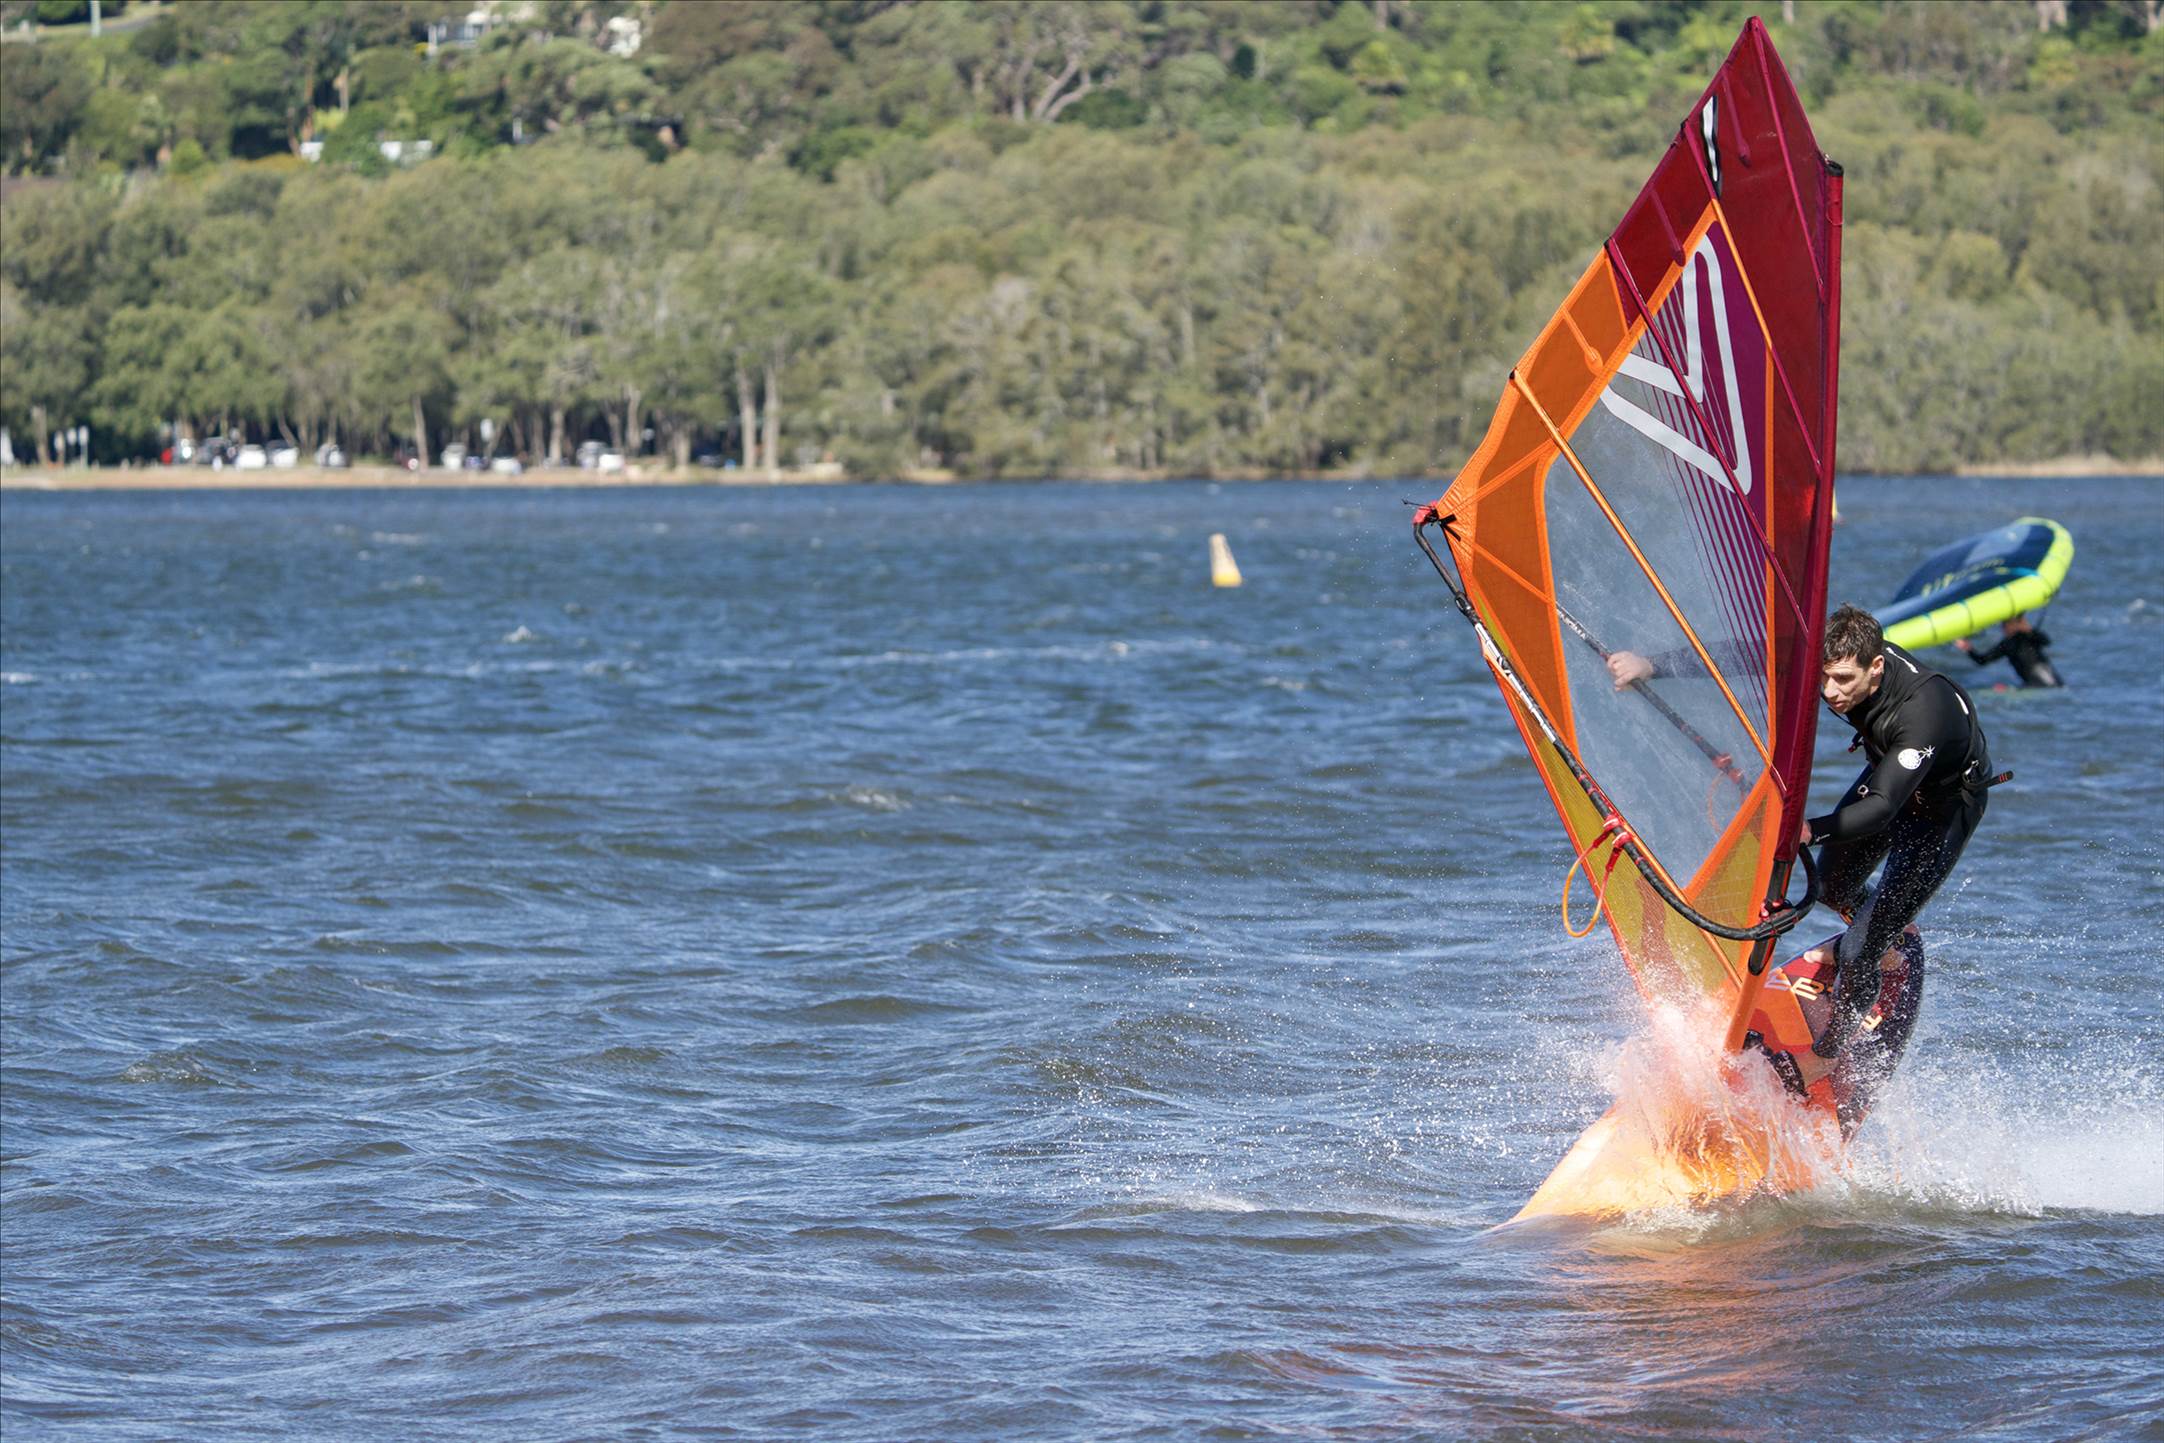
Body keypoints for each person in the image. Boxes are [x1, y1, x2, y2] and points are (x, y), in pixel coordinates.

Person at [1783, 604, 1995, 1090]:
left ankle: (1827, 1055)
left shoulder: (1925, 711)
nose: (1829, 693)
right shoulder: (1847, 668)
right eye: (1823, 678)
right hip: (1892, 777)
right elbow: (1760, 655)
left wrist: (1808, 830)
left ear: (1875, 667)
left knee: (1859, 954)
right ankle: (1890, 938)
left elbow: (1880, 810)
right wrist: (1653, 665)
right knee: (1830, 884)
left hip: (1942, 810)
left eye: (1841, 680)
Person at [1954, 614, 2062, 688]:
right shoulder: (2024, 638)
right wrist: (2030, 630)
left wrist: (1968, 649)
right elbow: (2046, 641)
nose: (2003, 629)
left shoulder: (2020, 639)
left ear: (2008, 626)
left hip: (2037, 684)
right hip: (2052, 683)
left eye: (2004, 626)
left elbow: (1982, 660)